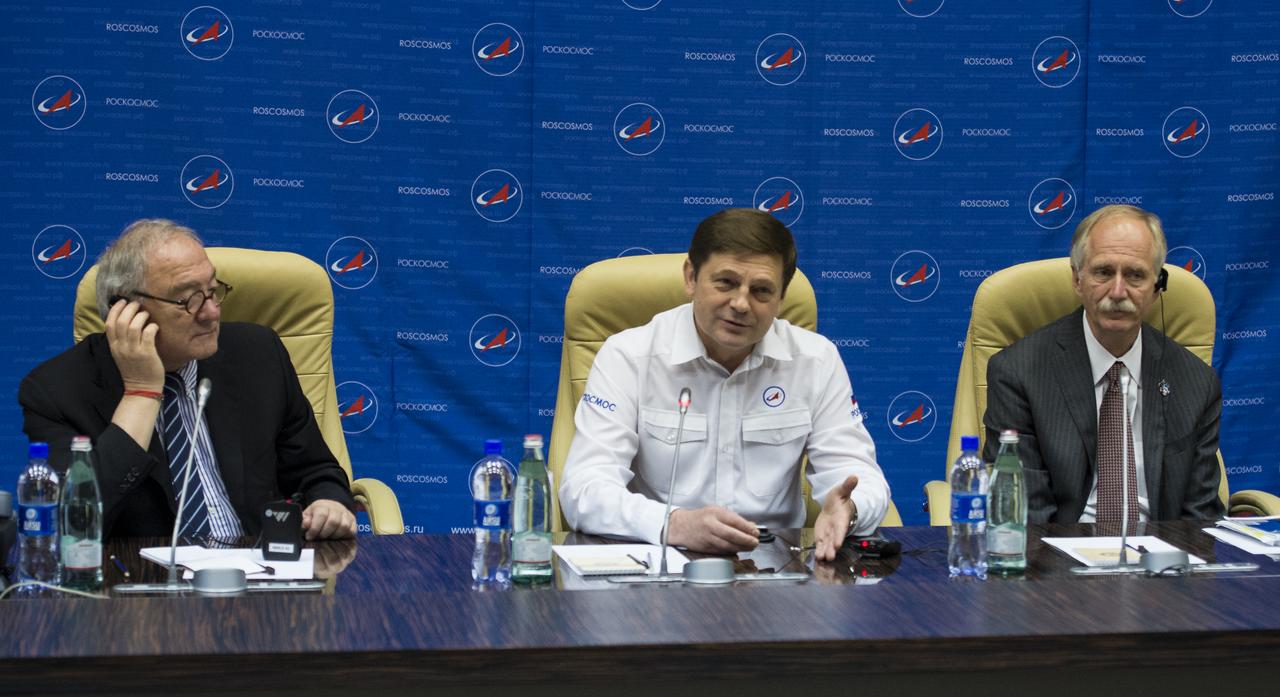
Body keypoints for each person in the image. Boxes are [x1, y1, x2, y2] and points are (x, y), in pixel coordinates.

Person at [559, 208, 891, 561]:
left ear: (780, 298)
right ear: (691, 278)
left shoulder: (816, 360)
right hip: (658, 564)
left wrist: (849, 510)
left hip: (775, 575)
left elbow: (860, 477)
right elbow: (585, 488)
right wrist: (673, 523)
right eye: (726, 282)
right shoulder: (628, 356)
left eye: (762, 290)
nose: (741, 304)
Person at [19, 219, 357, 541]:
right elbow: (74, 528)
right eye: (188, 300)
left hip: (257, 575)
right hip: (140, 586)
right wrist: (140, 392)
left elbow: (316, 471)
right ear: (126, 310)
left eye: (212, 290)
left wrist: (328, 501)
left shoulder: (259, 355)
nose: (211, 312)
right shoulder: (55, 391)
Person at [983, 204, 1224, 526]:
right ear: (1077, 279)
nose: (1118, 291)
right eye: (1103, 272)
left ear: (1157, 287)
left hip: (1162, 562)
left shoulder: (1196, 382)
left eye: (1136, 275)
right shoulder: (1018, 373)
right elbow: (1024, 517)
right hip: (1058, 560)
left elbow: (1201, 520)